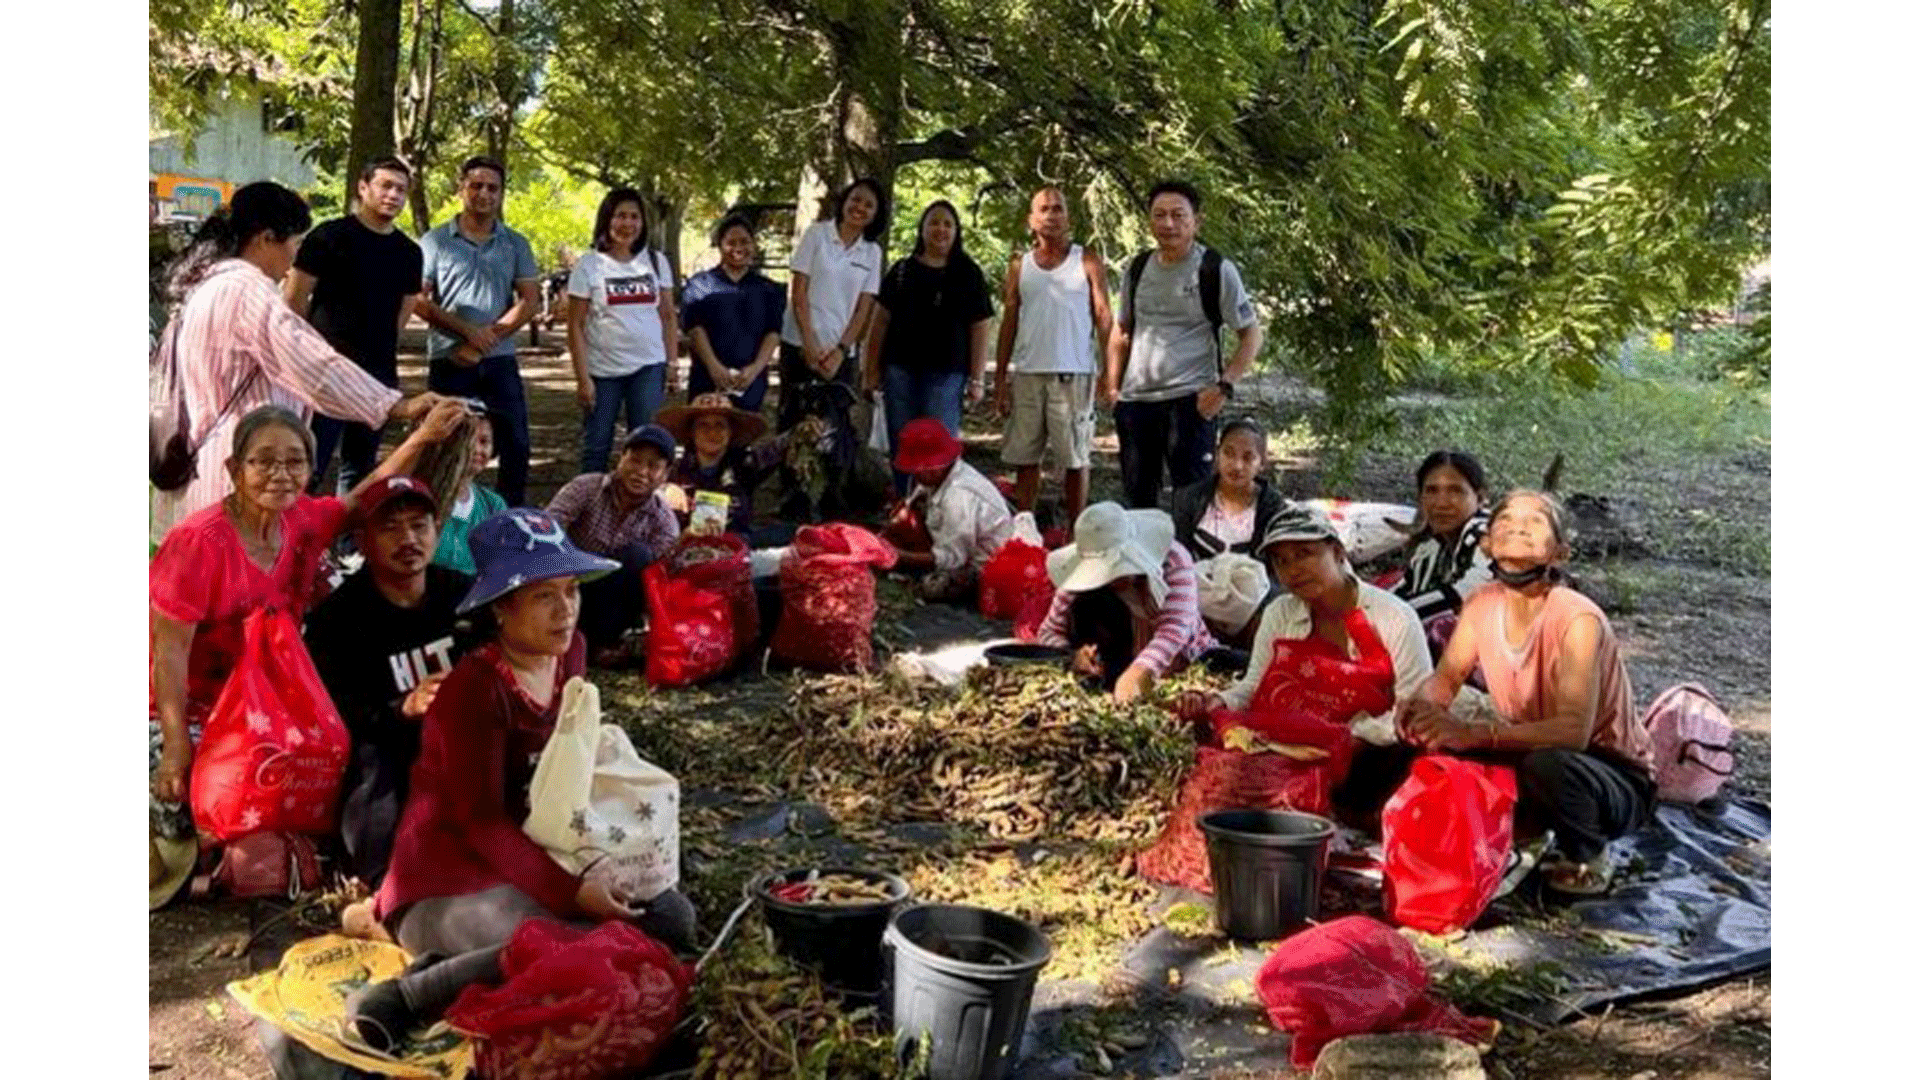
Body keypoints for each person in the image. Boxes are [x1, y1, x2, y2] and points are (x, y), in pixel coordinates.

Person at [350, 508, 697, 1052]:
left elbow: (573, 762)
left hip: (535, 850)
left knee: (671, 917)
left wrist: (608, 853)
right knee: (562, 945)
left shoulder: (571, 653)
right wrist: (572, 891)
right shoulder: (474, 691)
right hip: (449, 878)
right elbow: (478, 822)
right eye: (543, 597)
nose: (566, 612)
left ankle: (461, 962)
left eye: (571, 591)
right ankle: (409, 994)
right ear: (501, 611)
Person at [149, 402, 467, 815]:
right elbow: (169, 652)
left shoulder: (302, 521)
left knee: (296, 795)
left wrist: (423, 439)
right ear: (233, 470)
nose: (280, 475)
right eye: (262, 462)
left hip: (263, 704)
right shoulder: (199, 543)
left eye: (294, 462)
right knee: (194, 811)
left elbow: (360, 500)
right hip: (189, 709)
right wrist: (177, 746)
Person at [148, 181, 443, 546]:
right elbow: (312, 365)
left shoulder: (202, 286)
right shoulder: (247, 290)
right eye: (294, 244)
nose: (293, 259)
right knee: (241, 591)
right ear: (265, 239)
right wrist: (396, 404)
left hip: (198, 471)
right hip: (234, 479)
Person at [1394, 490, 1656, 895]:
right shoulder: (1482, 605)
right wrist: (1421, 711)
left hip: (1606, 775)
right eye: (1506, 521)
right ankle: (1517, 832)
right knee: (1420, 754)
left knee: (1549, 767)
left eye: (1535, 522)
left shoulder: (1576, 618)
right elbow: (1445, 681)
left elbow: (1574, 734)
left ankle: (1586, 853)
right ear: (1486, 543)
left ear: (1561, 552)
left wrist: (1471, 733)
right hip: (1529, 751)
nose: (1518, 527)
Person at [305, 477, 474, 888]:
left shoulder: (465, 594)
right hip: (387, 747)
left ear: (438, 530)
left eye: (419, 525)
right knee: (373, 766)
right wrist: (405, 707)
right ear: (361, 542)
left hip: (463, 737)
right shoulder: (337, 621)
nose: (408, 539)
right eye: (390, 528)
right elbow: (342, 717)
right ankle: (381, 882)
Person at [1173, 503, 1431, 747]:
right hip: (1294, 743)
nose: (1293, 570)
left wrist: (1350, 738)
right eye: (1281, 561)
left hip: (1372, 752)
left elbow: (1414, 709)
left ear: (1338, 552)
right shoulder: (1280, 614)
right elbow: (1254, 685)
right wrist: (1219, 701)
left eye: (1303, 554)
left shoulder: (1394, 617)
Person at [1105, 180, 1264, 510]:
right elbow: (1122, 331)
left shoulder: (1215, 269)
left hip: (1191, 402)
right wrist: (1112, 388)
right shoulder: (1137, 269)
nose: (1168, 224)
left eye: (1179, 215)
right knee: (1137, 501)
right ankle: (1144, 562)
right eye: (1159, 215)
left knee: (1193, 500)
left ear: (1197, 221)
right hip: (1137, 403)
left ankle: (1191, 562)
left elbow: (1251, 335)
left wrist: (1224, 386)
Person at [286, 156, 426, 495]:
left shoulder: (409, 253)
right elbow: (293, 299)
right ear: (363, 188)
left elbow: (403, 314)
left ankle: (347, 545)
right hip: (324, 376)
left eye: (401, 190)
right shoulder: (328, 237)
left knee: (360, 470)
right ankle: (297, 541)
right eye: (385, 186)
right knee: (308, 466)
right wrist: (311, 354)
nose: (393, 195)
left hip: (377, 376)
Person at [416, 156, 542, 505]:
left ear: (502, 194)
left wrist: (488, 338)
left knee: (515, 443)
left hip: (499, 359)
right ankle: (439, 515)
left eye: (492, 188)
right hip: (449, 358)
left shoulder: (516, 243)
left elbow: (529, 300)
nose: (484, 194)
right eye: (476, 185)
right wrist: (467, 332)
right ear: (461, 189)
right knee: (443, 442)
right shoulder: (435, 241)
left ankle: (510, 520)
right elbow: (418, 300)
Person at [993, 186, 1113, 525]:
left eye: (1058, 209)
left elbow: (1104, 317)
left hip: (1072, 375)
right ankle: (1025, 529)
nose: (1050, 215)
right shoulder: (1020, 265)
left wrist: (1109, 372)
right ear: (1031, 220)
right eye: (1043, 209)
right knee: (1025, 456)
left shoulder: (1085, 259)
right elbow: (1009, 321)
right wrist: (1001, 381)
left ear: (1068, 218)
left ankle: (1077, 533)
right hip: (1029, 373)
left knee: (1074, 458)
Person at [865, 200, 995, 494]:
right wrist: (870, 370)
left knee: (938, 444)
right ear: (922, 229)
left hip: (947, 374)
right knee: (903, 441)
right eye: (934, 222)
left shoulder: (968, 273)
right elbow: (879, 323)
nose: (941, 229)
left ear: (956, 232)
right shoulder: (901, 270)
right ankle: (905, 507)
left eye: (948, 224)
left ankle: (941, 508)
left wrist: (977, 379)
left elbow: (980, 326)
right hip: (900, 370)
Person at [1035, 502, 1217, 704]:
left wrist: (1139, 671)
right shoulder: (1078, 575)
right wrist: (1073, 656)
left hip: (1179, 663)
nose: (1115, 579)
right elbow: (1048, 632)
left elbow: (1174, 628)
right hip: (1115, 655)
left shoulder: (1173, 560)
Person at [544, 424, 682, 664]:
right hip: (569, 584)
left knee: (639, 558)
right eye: (635, 461)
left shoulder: (663, 519)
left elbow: (661, 578)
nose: (641, 472)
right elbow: (547, 527)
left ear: (665, 475)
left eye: (653, 466)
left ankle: (601, 642)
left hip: (615, 604)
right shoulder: (586, 487)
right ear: (621, 459)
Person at [567, 187, 680, 472]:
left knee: (646, 446)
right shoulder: (589, 264)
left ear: (643, 223)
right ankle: (587, 509)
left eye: (634, 217)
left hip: (648, 367)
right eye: (620, 216)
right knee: (596, 447)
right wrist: (583, 378)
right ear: (607, 220)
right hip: (602, 372)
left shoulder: (656, 261)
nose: (627, 224)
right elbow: (576, 325)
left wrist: (672, 363)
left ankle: (642, 511)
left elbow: (667, 315)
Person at [778, 178, 887, 433]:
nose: (860, 207)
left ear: (876, 214)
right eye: (855, 199)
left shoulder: (872, 252)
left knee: (833, 429)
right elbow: (799, 292)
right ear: (844, 202)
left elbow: (864, 308)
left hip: (840, 355)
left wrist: (840, 350)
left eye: (869, 205)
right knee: (793, 425)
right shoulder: (817, 234)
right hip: (799, 344)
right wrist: (809, 344)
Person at [886, 418, 1014, 601]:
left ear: (932, 468)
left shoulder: (958, 496)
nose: (914, 474)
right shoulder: (940, 477)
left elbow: (952, 559)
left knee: (934, 588)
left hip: (985, 564)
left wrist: (897, 554)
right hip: (961, 548)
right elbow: (914, 498)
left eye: (917, 469)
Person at [1394, 450, 1495, 658]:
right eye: (1431, 491)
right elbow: (1401, 591)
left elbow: (1466, 594)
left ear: (1481, 497)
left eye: (1456, 491)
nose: (1441, 503)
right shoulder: (1431, 549)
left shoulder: (1487, 534)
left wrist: (1388, 616)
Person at [681, 214, 785, 412]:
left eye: (745, 242)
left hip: (749, 380)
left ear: (754, 245)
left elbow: (773, 333)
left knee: (744, 437)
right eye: (731, 242)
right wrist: (714, 367)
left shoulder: (769, 289)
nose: (738, 248)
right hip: (707, 380)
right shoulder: (700, 285)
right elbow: (694, 329)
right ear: (720, 246)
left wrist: (755, 369)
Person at [656, 393, 794, 542]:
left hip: (739, 549)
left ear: (730, 433)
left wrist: (805, 430)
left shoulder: (745, 465)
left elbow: (781, 446)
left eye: (720, 425)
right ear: (692, 432)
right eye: (703, 425)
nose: (712, 432)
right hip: (687, 549)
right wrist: (663, 490)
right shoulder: (673, 472)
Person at [1170, 418, 1287, 560]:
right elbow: (1178, 559)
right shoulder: (1189, 498)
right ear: (1217, 454)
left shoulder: (1273, 508)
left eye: (1248, 458)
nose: (1237, 466)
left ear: (1262, 463)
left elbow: (1278, 565)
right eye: (1229, 453)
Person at [431, 416, 510, 576]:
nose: (476, 449)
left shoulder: (493, 505)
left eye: (484, 441)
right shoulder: (424, 497)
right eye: (467, 440)